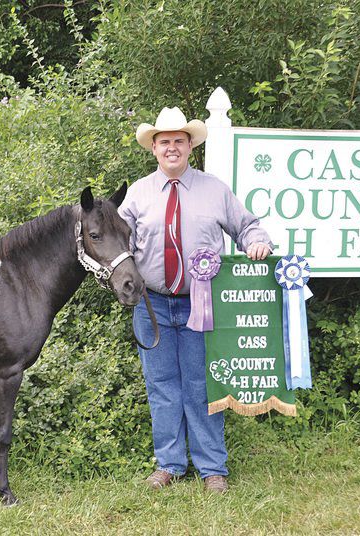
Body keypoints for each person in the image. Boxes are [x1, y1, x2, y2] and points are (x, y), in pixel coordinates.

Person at [118, 106, 272, 493]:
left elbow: (247, 226)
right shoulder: (136, 194)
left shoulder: (214, 189)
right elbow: (118, 245)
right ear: (153, 148)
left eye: (179, 141)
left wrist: (256, 242)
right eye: (164, 142)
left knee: (202, 385)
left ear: (191, 147)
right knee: (161, 385)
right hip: (150, 306)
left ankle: (211, 468)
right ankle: (169, 464)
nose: (172, 148)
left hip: (201, 305)